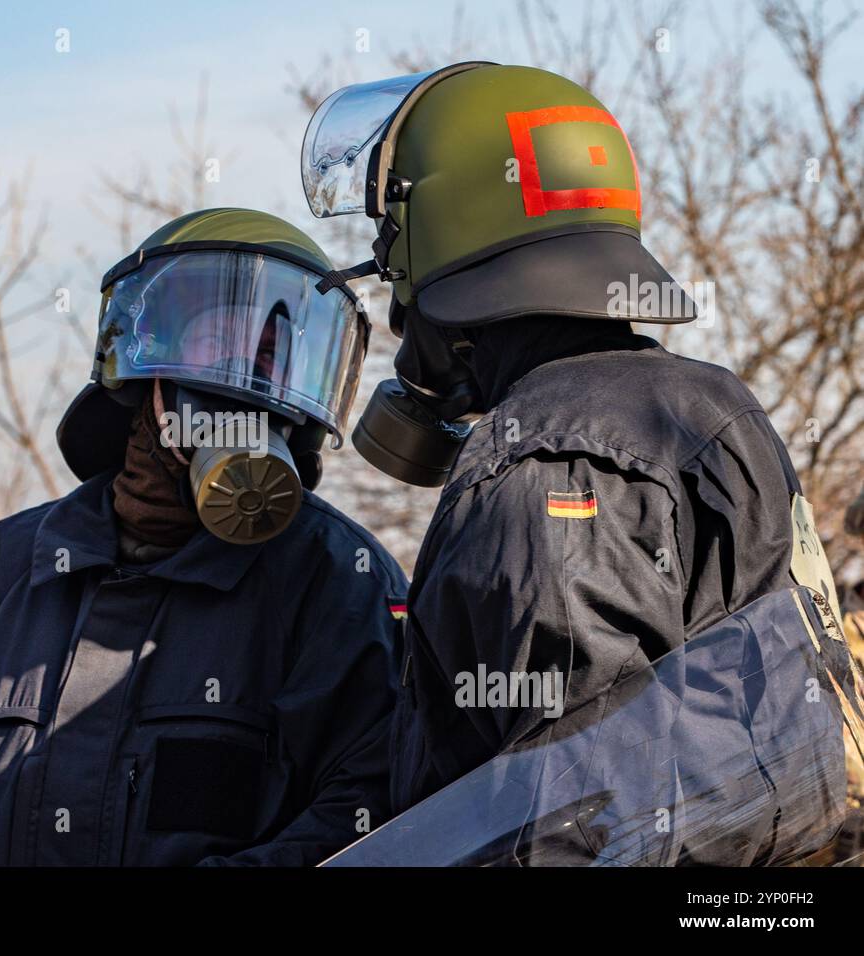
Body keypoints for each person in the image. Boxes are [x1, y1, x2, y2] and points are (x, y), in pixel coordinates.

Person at [298, 63, 856, 860]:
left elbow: (571, 825)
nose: (395, 305)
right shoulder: (711, 408)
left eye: (392, 256)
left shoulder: (549, 461)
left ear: (441, 246)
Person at [0, 208, 406, 866]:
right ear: (148, 368)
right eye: (220, 346)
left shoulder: (339, 582)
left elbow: (368, 814)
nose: (245, 386)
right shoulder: (10, 563)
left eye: (274, 361)